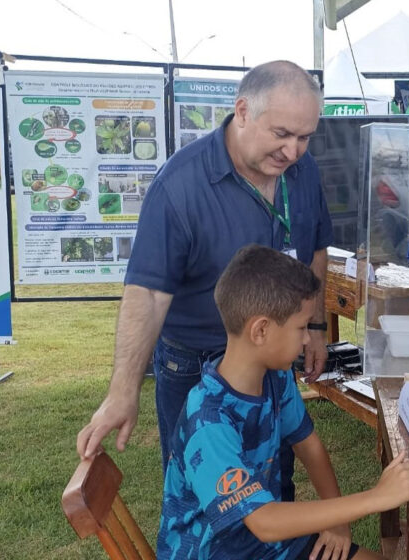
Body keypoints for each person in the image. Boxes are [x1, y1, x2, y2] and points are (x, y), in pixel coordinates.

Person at [77, 61, 332, 501]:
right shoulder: (179, 186)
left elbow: (316, 252)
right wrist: (123, 391)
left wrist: (313, 327)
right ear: (243, 111)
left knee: (272, 478)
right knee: (202, 497)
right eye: (282, 134)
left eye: (304, 137)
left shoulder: (303, 172)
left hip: (272, 356)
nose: (293, 151)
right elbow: (149, 293)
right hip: (195, 364)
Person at [157, 245, 409, 560]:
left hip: (264, 547)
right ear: (261, 330)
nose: (308, 339)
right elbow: (265, 521)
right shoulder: (208, 421)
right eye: (301, 327)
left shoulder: (275, 377)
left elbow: (309, 447)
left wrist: (338, 524)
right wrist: (378, 497)